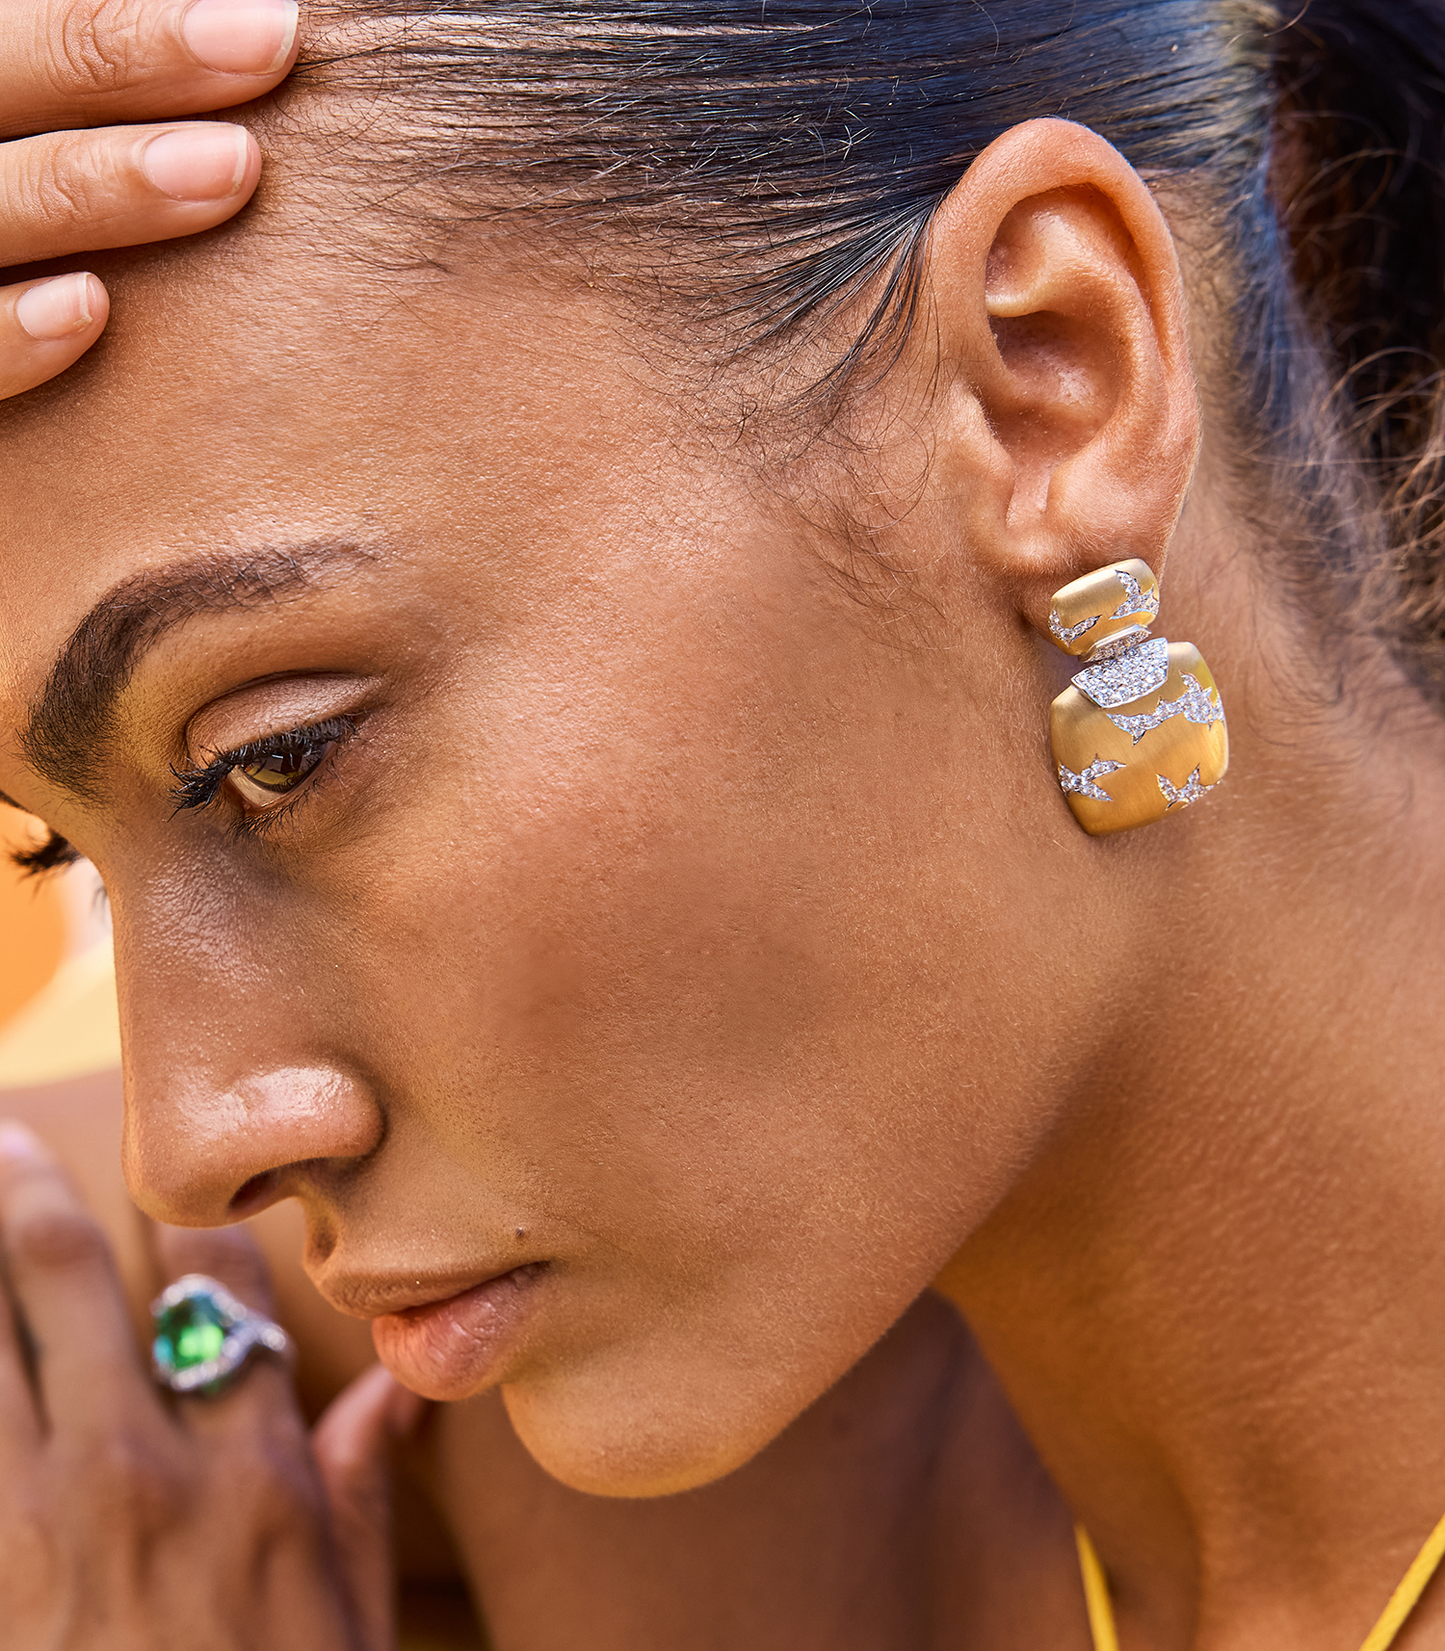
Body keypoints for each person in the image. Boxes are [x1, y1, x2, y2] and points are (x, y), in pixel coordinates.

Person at [2, 1, 1445, 1647]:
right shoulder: (630, 1356)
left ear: (1051, 379)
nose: (187, 1146)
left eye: (280, 758)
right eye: (58, 845)